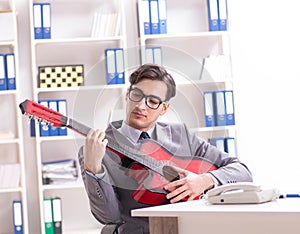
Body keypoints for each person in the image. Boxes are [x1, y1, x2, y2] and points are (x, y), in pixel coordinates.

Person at [78, 64, 252, 234]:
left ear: (164, 108)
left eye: (152, 101)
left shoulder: (181, 135)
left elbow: (242, 171)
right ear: (127, 95)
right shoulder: (95, 149)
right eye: (136, 95)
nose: (141, 106)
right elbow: (109, 217)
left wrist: (204, 181)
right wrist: (94, 168)